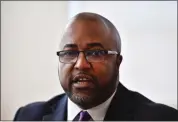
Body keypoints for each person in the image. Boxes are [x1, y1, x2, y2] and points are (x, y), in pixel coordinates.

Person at [14, 12, 178, 121]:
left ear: (117, 62)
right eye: (70, 53)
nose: (81, 64)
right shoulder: (28, 116)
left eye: (96, 53)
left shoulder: (161, 118)